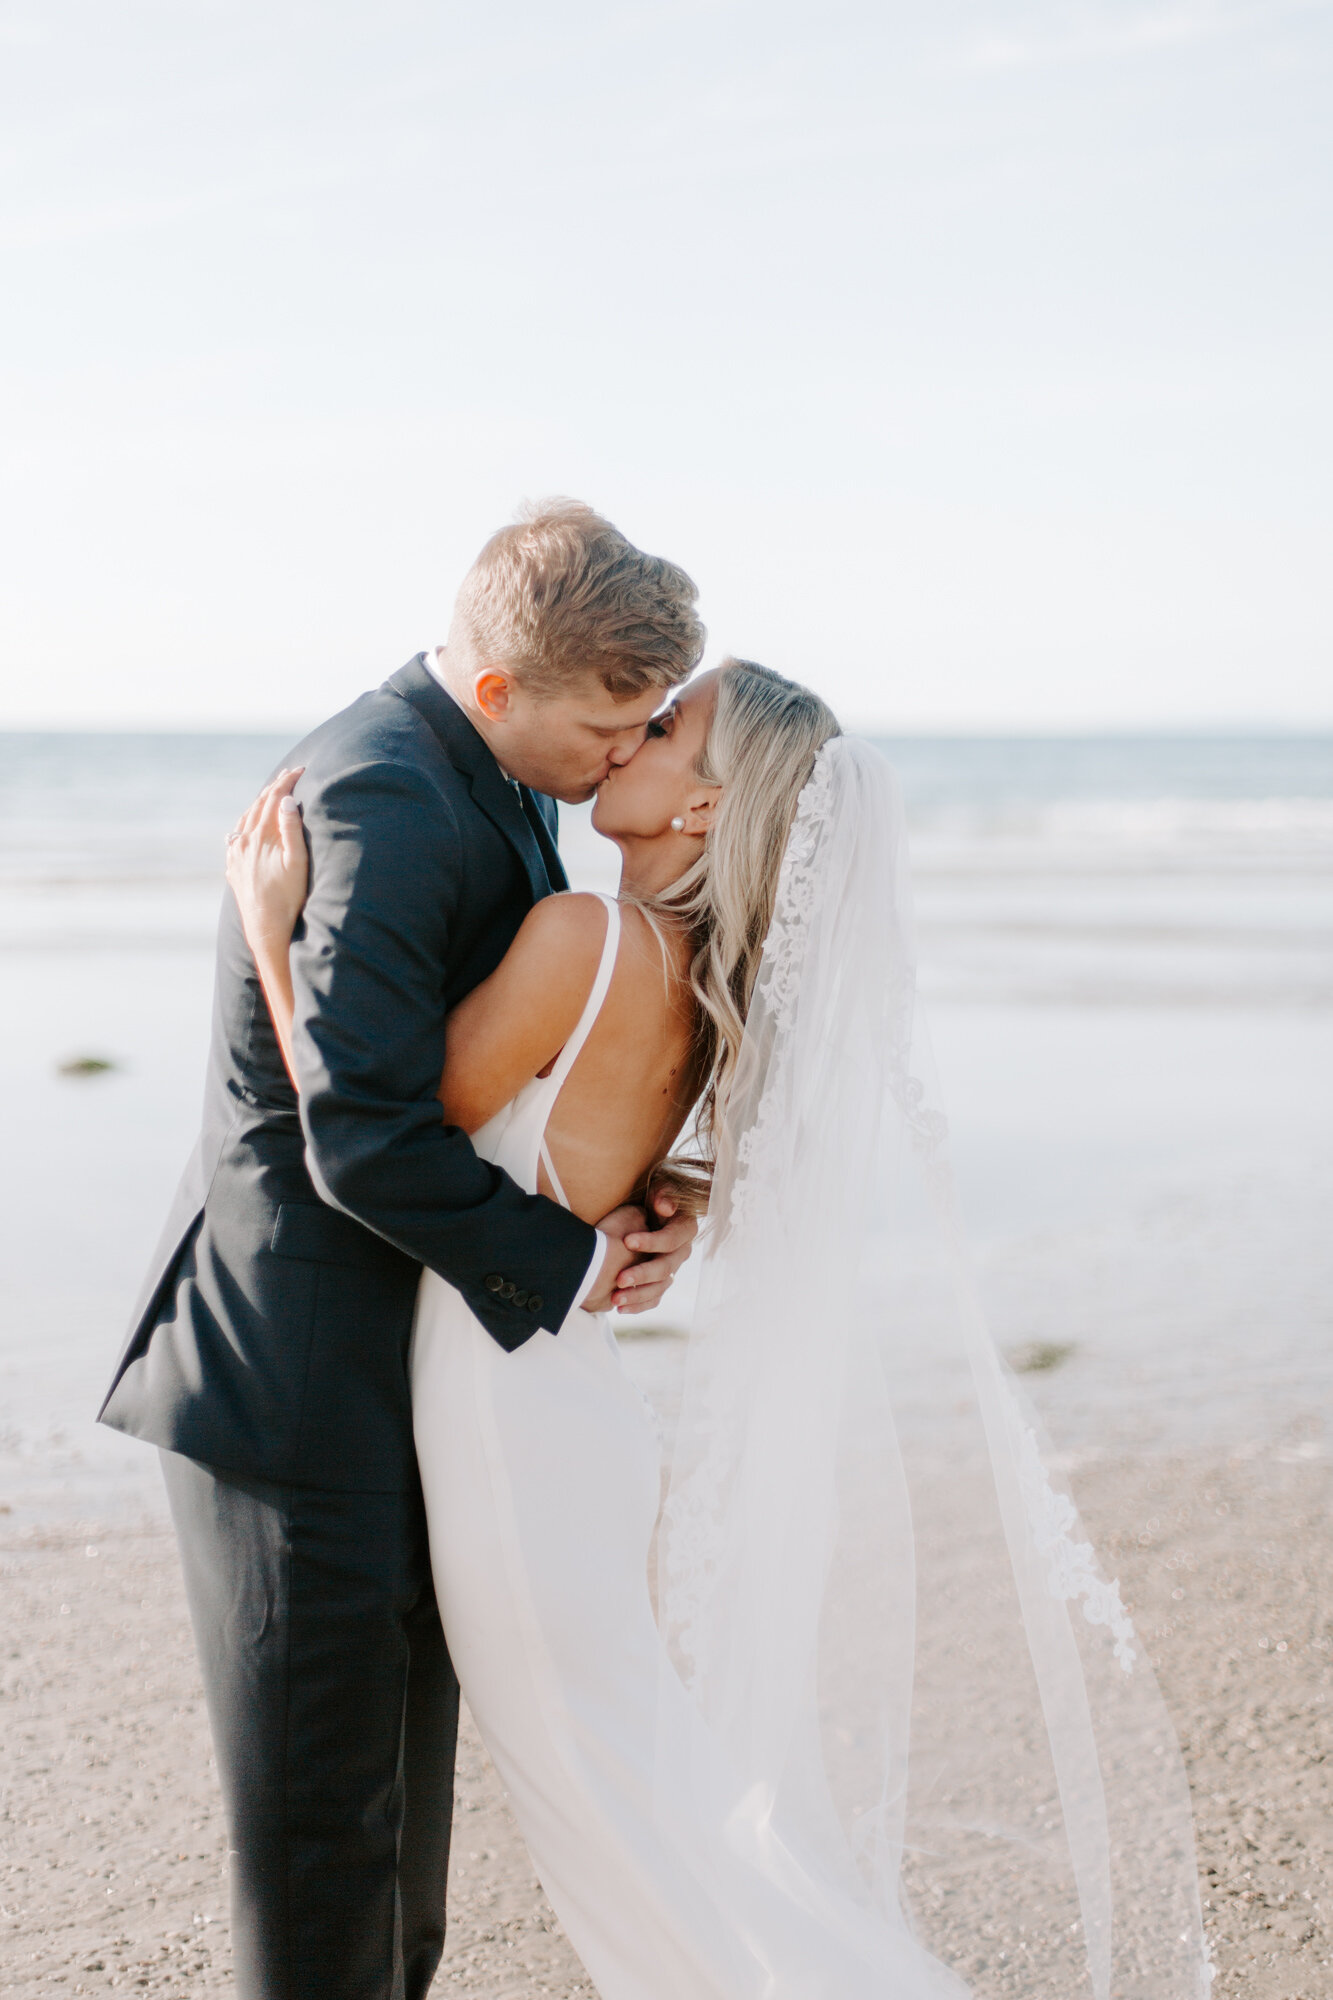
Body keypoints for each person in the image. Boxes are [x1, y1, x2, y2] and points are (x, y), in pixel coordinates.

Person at [226, 659, 1212, 1998]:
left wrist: (272, 935)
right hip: (558, 1406)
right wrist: (659, 1209)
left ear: (704, 806)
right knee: (643, 1808)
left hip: (511, 1426)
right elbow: (589, 1161)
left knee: (620, 1821)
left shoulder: (583, 939)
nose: (630, 732)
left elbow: (376, 1132)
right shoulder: (697, 983)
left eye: (664, 722)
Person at [98, 501, 703, 2000]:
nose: (623, 757)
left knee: (386, 1854)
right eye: (608, 725)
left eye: (644, 731)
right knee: (326, 1857)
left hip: (408, 1366)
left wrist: (631, 1187)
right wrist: (564, 1267)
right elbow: (361, 1134)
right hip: (296, 1378)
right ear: (501, 689)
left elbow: (498, 1078)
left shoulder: (493, 768)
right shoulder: (382, 793)